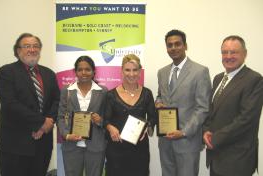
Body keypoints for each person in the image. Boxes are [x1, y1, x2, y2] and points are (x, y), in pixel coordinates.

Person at [0, 33, 60, 176]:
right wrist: (40, 122)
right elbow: (10, 104)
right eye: (27, 46)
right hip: (16, 145)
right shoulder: (6, 72)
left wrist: (46, 125)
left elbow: (57, 101)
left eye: (36, 46)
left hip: (43, 144)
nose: (32, 49)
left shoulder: (49, 73)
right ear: (18, 51)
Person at [203, 35, 263, 176]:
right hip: (216, 156)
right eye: (224, 52)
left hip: (237, 160)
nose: (228, 56)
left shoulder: (254, 80)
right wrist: (205, 131)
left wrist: (215, 138)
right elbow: (211, 111)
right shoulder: (218, 78)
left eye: (234, 52)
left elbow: (246, 120)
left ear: (245, 54)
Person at [155, 29, 212, 176]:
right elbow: (160, 95)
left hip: (187, 141)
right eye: (169, 45)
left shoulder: (200, 71)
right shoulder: (162, 72)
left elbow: (203, 108)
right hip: (165, 140)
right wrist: (158, 102)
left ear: (185, 46)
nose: (173, 48)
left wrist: (184, 131)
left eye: (177, 44)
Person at [104, 54, 157, 176]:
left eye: (135, 70)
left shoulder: (147, 93)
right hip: (116, 148)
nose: (131, 74)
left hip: (139, 149)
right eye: (127, 70)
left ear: (139, 72)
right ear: (122, 71)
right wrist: (110, 127)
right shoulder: (111, 95)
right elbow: (105, 120)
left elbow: (153, 117)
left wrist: (148, 126)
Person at [57, 56, 107, 176]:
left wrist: (100, 120)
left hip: (96, 145)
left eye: (87, 69)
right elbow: (61, 116)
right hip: (71, 146)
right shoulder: (67, 91)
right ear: (75, 72)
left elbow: (108, 118)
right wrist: (66, 135)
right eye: (80, 69)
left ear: (93, 71)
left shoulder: (103, 91)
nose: (83, 72)